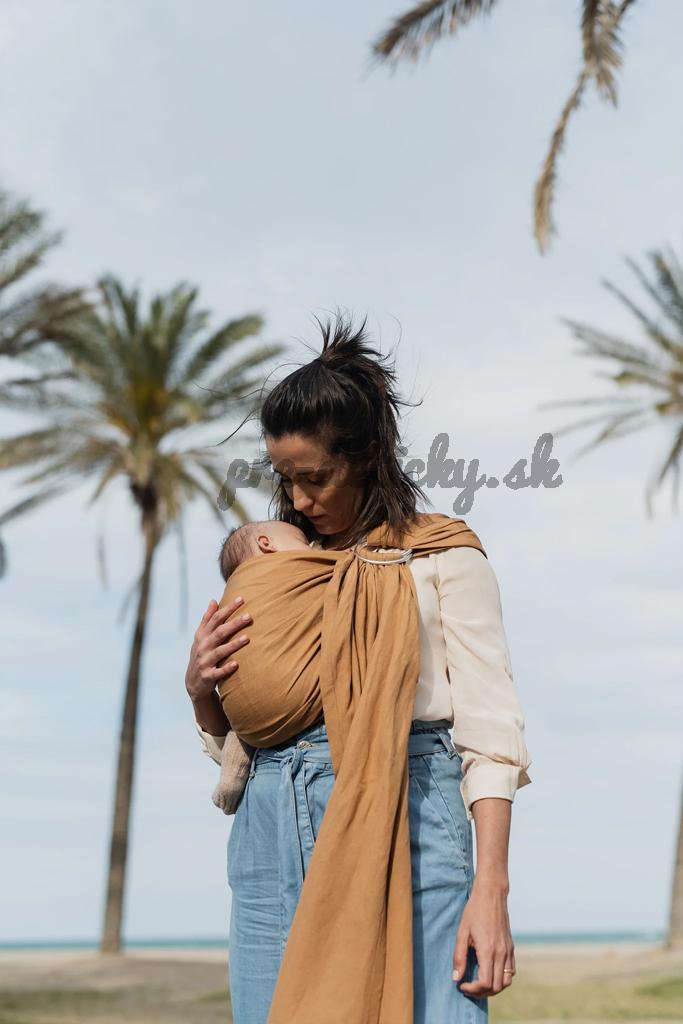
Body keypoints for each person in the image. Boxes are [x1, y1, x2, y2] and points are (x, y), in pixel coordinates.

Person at [184, 313, 532, 1024]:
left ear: (369, 454)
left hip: (410, 806)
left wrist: (491, 890)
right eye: (285, 479)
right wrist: (201, 693)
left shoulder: (443, 556)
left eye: (316, 478)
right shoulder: (279, 570)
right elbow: (247, 738)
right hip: (270, 819)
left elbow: (491, 734)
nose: (299, 500)